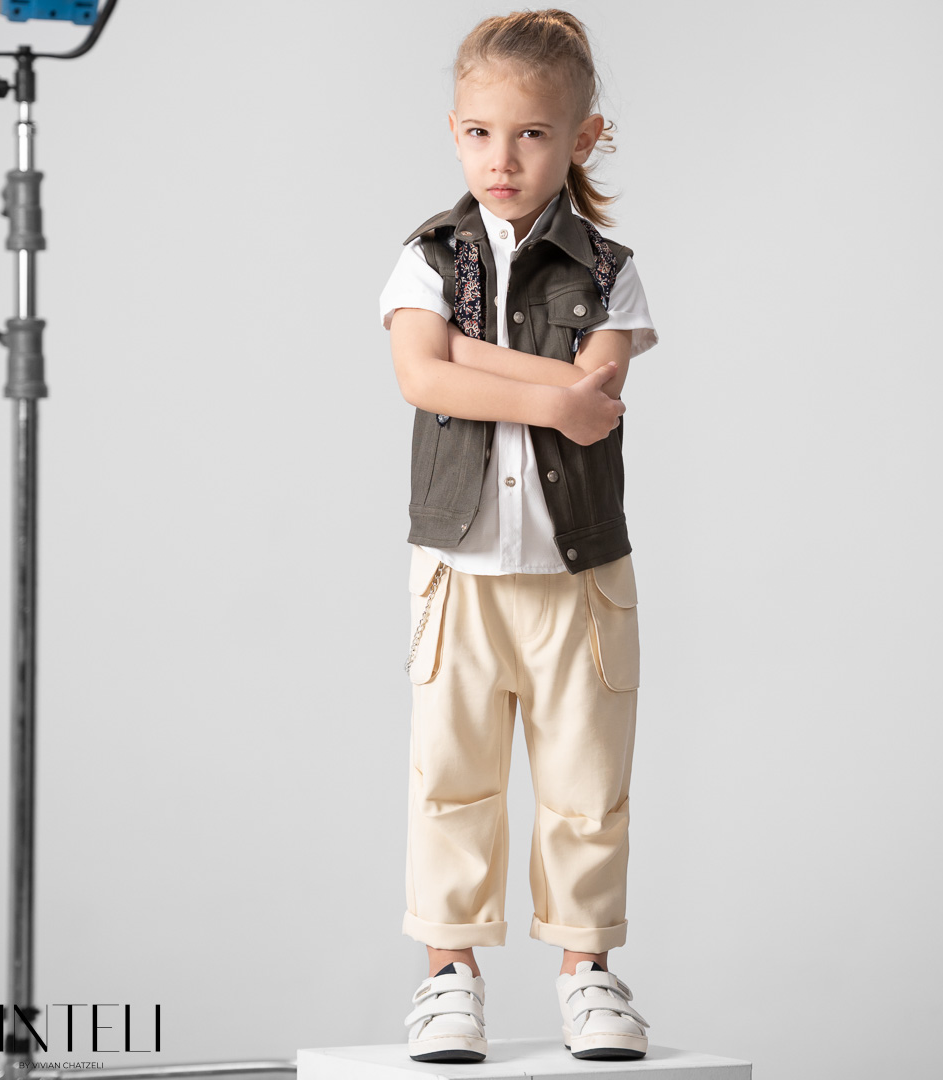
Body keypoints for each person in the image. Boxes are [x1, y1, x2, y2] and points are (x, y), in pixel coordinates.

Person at [379, 8, 657, 1065]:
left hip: (578, 572)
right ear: (454, 133)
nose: (503, 158)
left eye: (533, 134)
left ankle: (588, 974)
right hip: (457, 571)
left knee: (587, 784)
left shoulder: (610, 269)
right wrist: (549, 388)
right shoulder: (426, 256)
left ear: (582, 138)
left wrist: (474, 358)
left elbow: (600, 398)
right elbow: (421, 377)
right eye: (481, 133)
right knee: (451, 777)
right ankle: (449, 976)